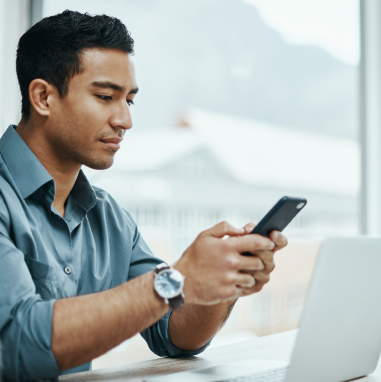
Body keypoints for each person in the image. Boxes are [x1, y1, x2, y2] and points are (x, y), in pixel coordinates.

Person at [0, 10, 287, 381]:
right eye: (105, 96)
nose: (125, 120)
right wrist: (177, 280)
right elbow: (18, 343)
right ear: (42, 97)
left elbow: (174, 334)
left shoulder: (108, 217)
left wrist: (220, 281)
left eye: (129, 100)